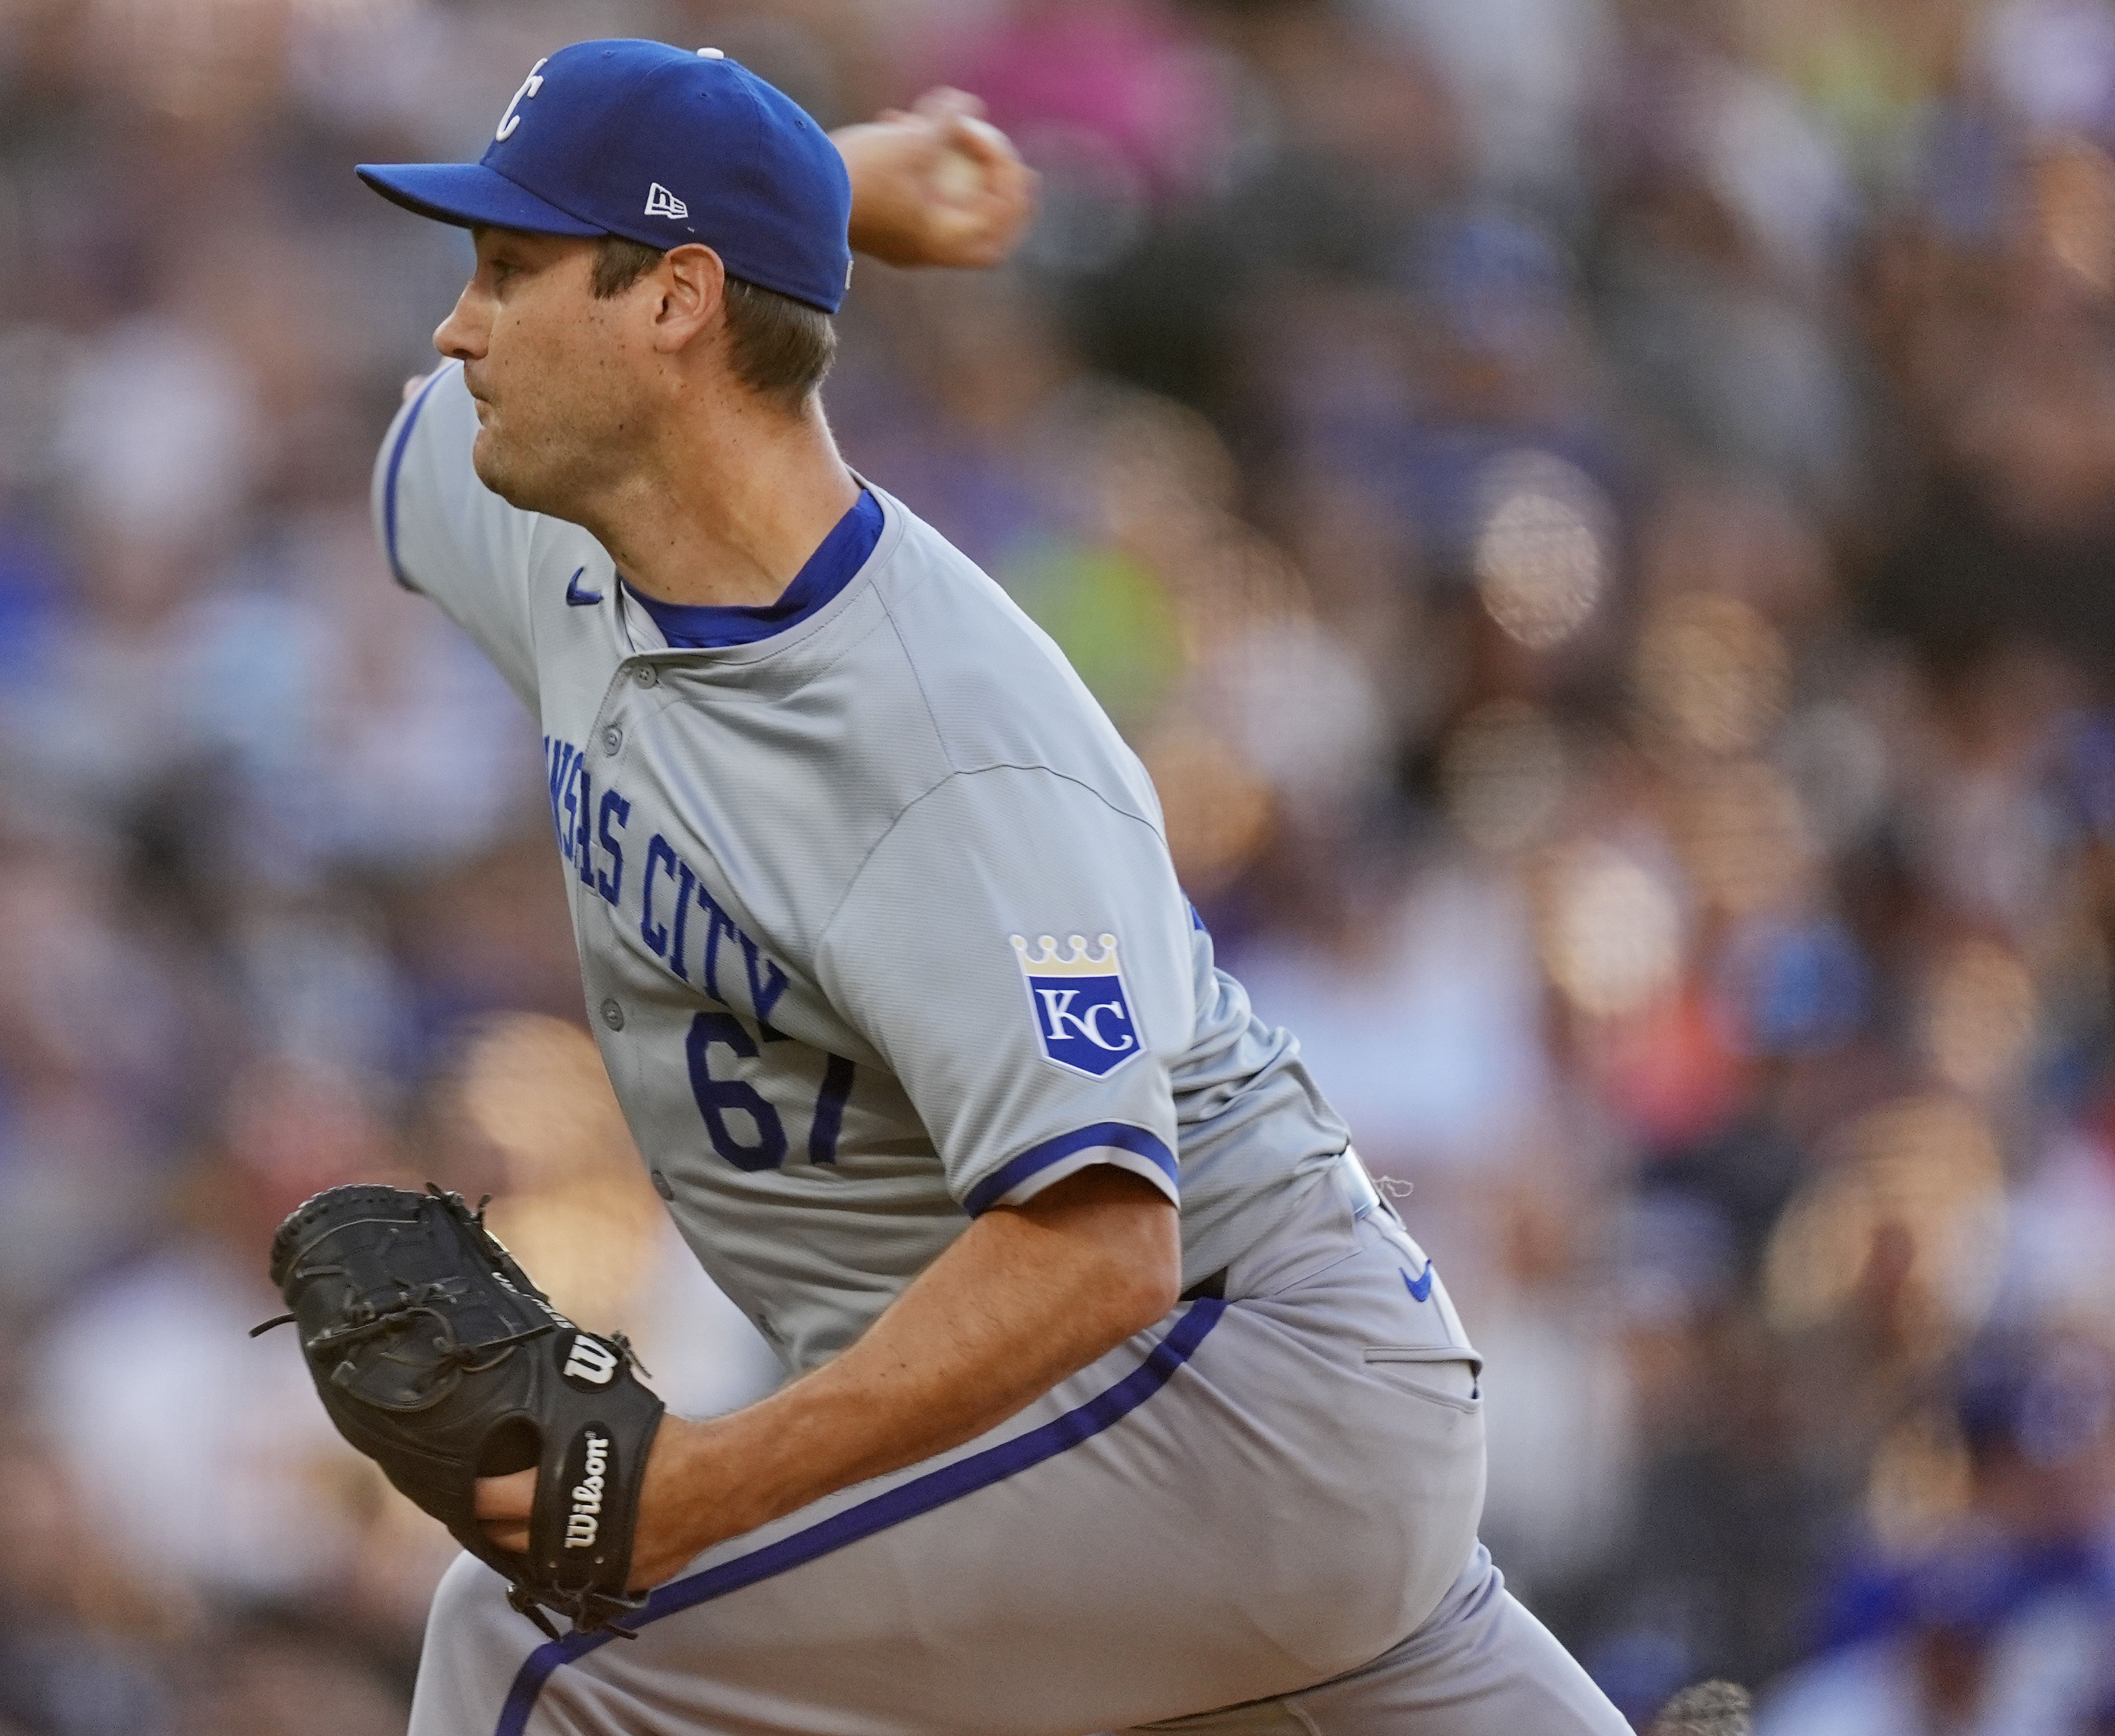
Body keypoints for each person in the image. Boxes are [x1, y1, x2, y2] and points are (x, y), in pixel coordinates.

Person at [352, 38, 1630, 1736]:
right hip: (1099, 1437)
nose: (457, 326)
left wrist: (702, 1487)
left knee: (533, 1636)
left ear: (670, 305)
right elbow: (451, 406)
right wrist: (839, 181)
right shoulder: (555, 507)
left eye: (505, 269)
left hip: (1216, 1391)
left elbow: (1098, 1245)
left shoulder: (949, 745)